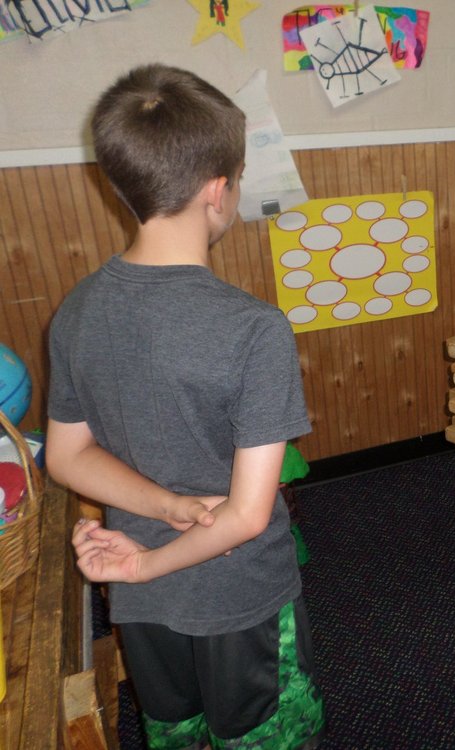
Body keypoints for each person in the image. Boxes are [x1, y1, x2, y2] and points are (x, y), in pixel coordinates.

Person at [47, 64, 325, 749]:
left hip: (143, 605)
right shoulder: (255, 329)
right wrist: (145, 560)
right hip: (234, 599)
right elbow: (246, 516)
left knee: (178, 733)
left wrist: (160, 517)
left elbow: (67, 455)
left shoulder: (76, 309)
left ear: (121, 184)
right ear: (217, 191)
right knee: (267, 736)